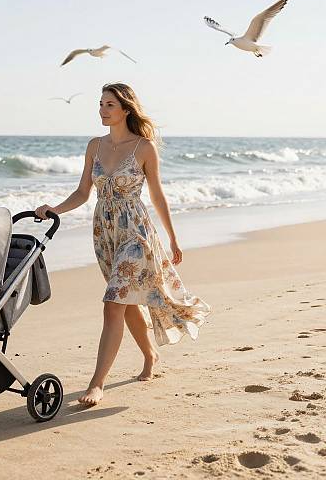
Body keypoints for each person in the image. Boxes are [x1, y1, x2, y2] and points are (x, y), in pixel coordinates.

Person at [35, 82, 211, 406]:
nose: (102, 109)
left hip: (135, 232)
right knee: (127, 305)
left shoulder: (144, 147)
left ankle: (97, 383)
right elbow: (83, 193)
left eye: (109, 105)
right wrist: (53, 209)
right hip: (105, 233)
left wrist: (172, 237)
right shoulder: (94, 146)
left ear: (126, 109)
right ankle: (151, 356)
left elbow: (157, 195)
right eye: (100, 104)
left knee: (113, 303)